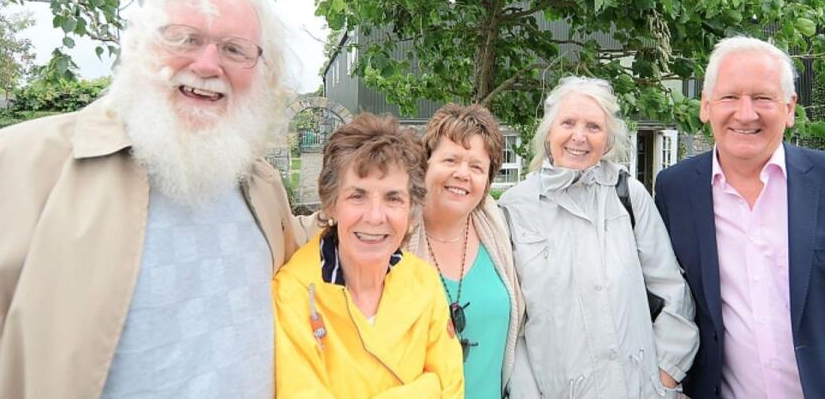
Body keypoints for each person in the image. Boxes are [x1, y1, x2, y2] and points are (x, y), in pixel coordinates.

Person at [0, 0, 310, 398]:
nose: (207, 64)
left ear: (262, 71)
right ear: (138, 48)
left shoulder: (260, 185)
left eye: (234, 49)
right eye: (183, 39)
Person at [654, 36, 825, 399]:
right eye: (729, 97)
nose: (746, 113)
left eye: (763, 98)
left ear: (789, 109)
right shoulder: (675, 190)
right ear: (706, 107)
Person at [498, 76, 700, 398]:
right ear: (549, 131)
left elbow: (671, 290)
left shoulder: (628, 195)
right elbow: (514, 324)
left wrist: (665, 379)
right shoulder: (516, 206)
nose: (579, 136)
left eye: (593, 126)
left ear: (607, 140)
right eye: (568, 123)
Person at [273, 112, 465, 398]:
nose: (375, 217)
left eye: (393, 198)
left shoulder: (424, 281)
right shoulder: (293, 292)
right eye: (357, 196)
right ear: (331, 204)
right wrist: (427, 388)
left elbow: (451, 388)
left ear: (411, 210)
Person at [403, 104, 524, 399]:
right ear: (425, 164)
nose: (462, 174)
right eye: (451, 159)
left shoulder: (501, 232)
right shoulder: (394, 239)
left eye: (476, 167)